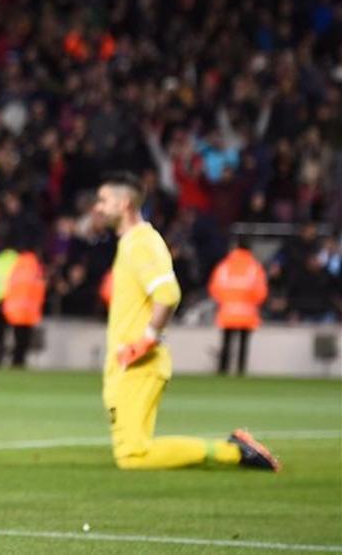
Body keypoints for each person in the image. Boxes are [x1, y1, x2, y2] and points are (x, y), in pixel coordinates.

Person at [93, 172, 279, 471]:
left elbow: (168, 294)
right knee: (132, 448)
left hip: (138, 363)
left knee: (132, 455)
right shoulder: (133, 242)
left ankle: (233, 452)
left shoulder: (141, 242)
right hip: (127, 363)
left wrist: (147, 339)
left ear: (124, 203)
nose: (97, 207)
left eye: (103, 201)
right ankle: (234, 450)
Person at [208, 238, 268, 375]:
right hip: (247, 313)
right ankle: (241, 371)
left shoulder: (225, 265)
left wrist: (225, 301)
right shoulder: (255, 267)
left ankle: (223, 370)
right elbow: (261, 292)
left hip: (227, 311)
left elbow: (215, 288)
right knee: (243, 345)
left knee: (226, 343)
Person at [0, 247, 46, 368]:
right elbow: (39, 290)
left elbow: (9, 287)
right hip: (29, 311)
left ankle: (15, 360)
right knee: (24, 340)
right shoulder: (35, 268)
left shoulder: (16, 266)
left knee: (15, 338)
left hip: (14, 311)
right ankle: (19, 361)